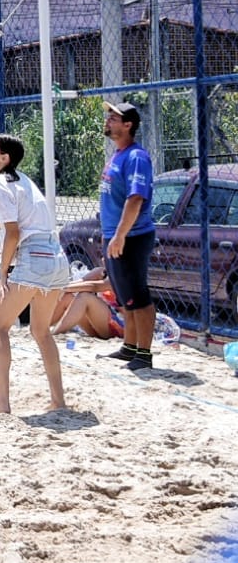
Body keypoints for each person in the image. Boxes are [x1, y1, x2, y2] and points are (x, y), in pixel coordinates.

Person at [0, 134, 71, 415]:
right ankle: (58, 400)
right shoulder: (25, 181)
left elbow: (13, 233)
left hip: (34, 258)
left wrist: (3, 272)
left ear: (4, 158)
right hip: (57, 258)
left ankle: (1, 402)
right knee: (41, 331)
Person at [97, 101, 158, 370]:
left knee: (138, 296)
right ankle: (129, 347)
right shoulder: (118, 155)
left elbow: (135, 199)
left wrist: (120, 235)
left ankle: (144, 354)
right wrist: (111, 235)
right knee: (125, 297)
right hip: (115, 235)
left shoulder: (136, 157)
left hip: (132, 237)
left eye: (114, 118)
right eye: (109, 117)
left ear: (128, 125)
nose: (108, 121)